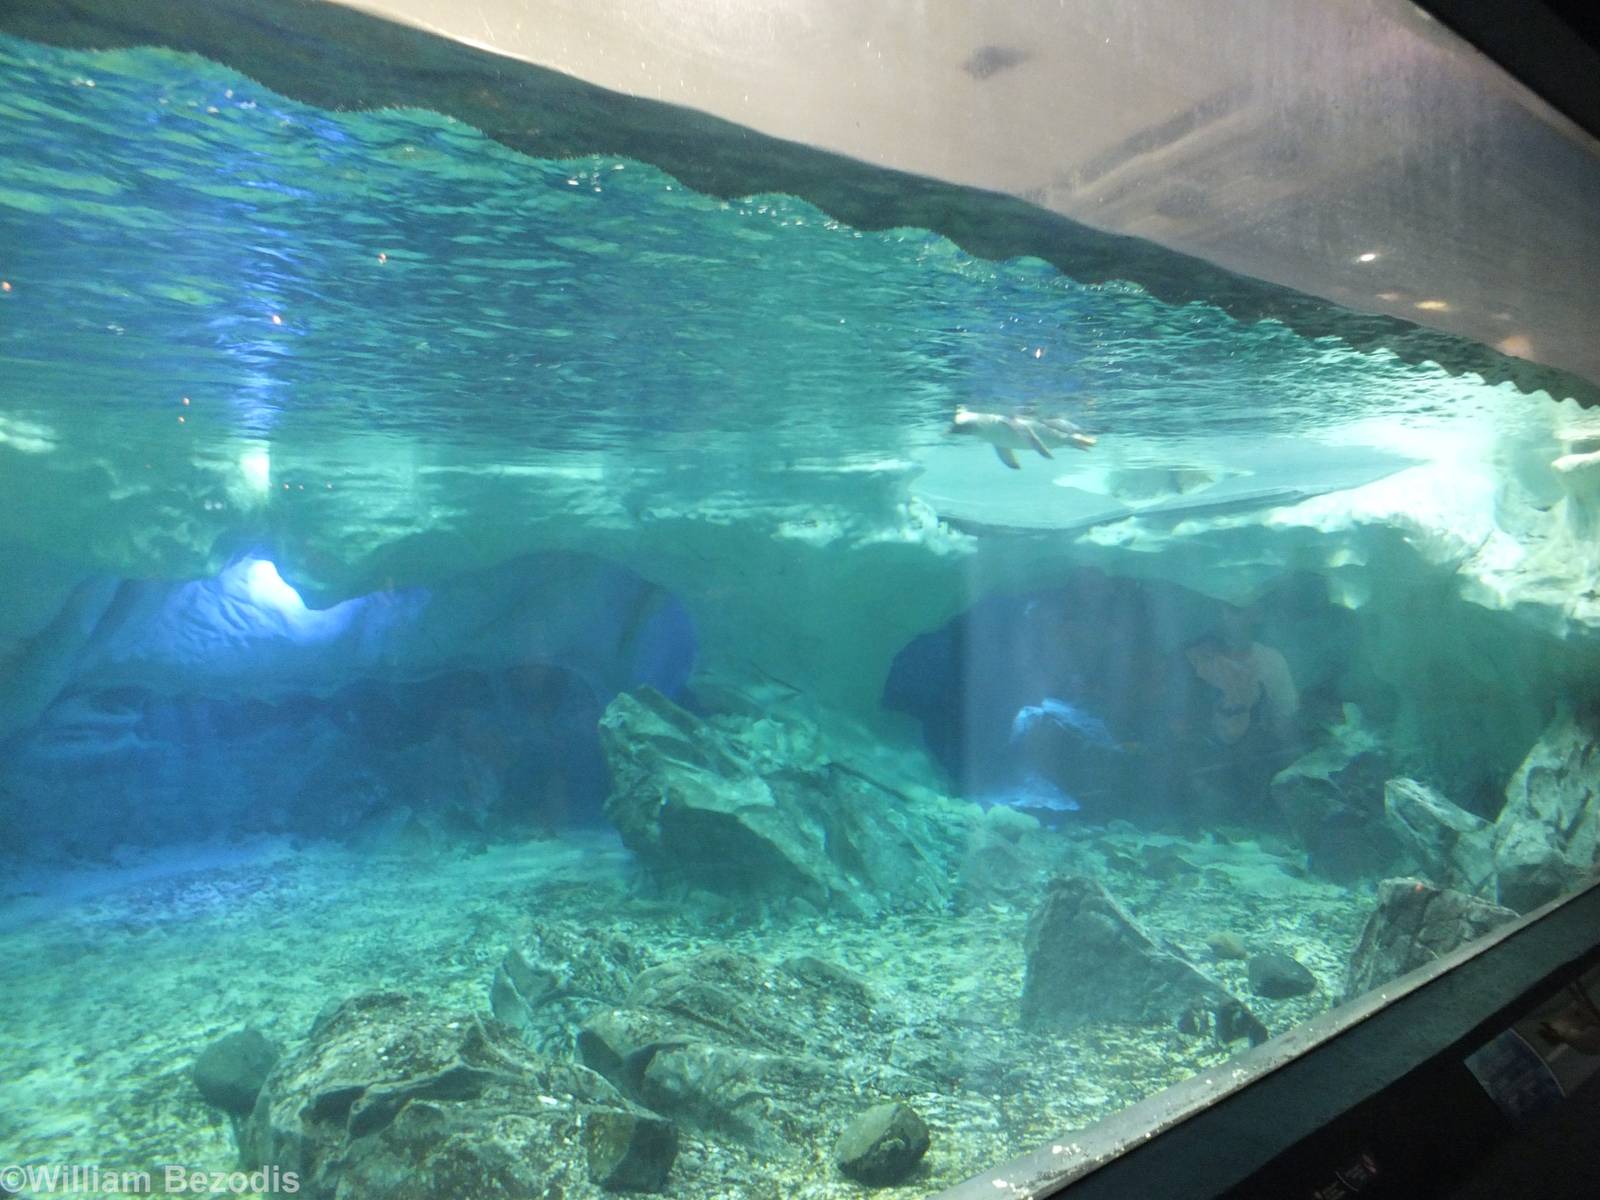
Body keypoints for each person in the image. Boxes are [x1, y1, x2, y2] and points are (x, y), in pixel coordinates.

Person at [1164, 603, 1301, 827]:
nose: (1225, 617)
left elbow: (1285, 724)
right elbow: (1175, 724)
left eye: (1235, 609)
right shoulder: (1189, 659)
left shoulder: (1272, 661)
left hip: (1253, 767)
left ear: (1258, 613)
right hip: (1200, 765)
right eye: (1222, 608)